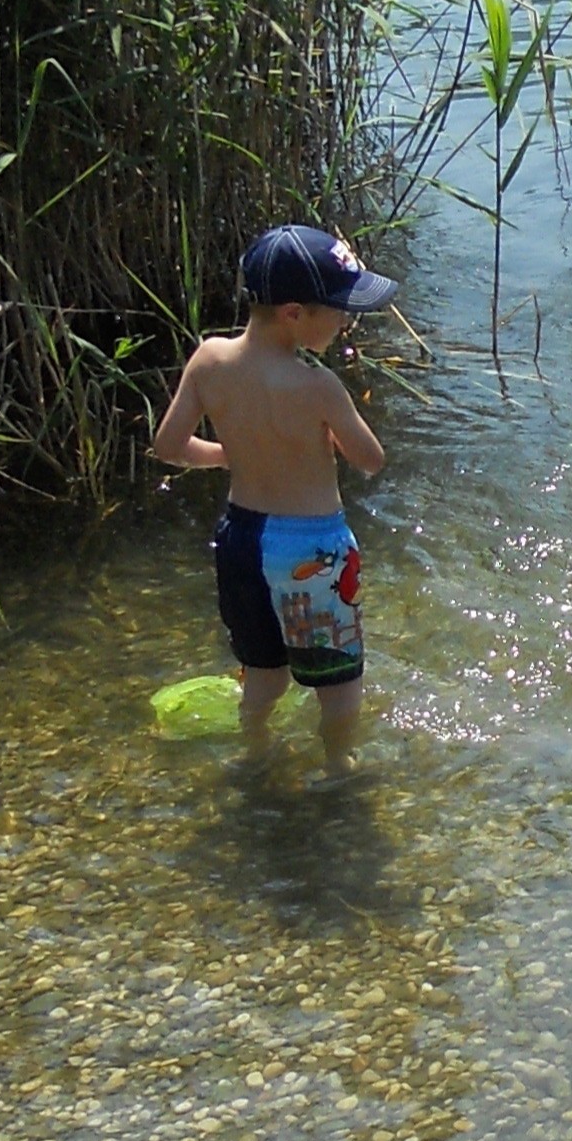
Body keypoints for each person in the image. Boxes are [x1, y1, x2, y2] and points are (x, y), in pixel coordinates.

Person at [153, 225, 397, 765]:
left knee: (262, 674)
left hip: (241, 540)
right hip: (313, 548)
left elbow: (168, 445)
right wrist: (332, 430)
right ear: (293, 313)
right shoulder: (318, 386)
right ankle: (338, 768)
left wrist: (227, 454)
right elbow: (371, 458)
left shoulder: (209, 359)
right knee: (338, 681)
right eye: (336, 309)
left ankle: (255, 756)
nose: (345, 320)